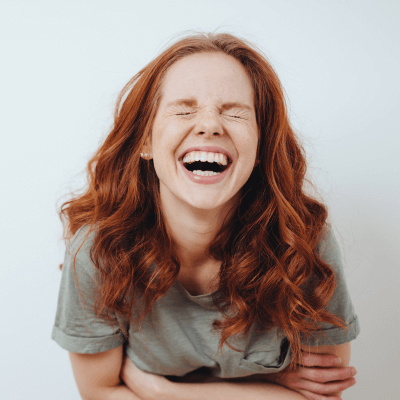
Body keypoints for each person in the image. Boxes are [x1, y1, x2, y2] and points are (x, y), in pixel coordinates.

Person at [52, 31, 360, 400]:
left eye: (234, 111)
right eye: (184, 109)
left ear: (260, 146)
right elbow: (100, 392)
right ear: (145, 142)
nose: (210, 125)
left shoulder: (303, 243)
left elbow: (322, 396)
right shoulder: (96, 252)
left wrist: (163, 393)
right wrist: (270, 386)